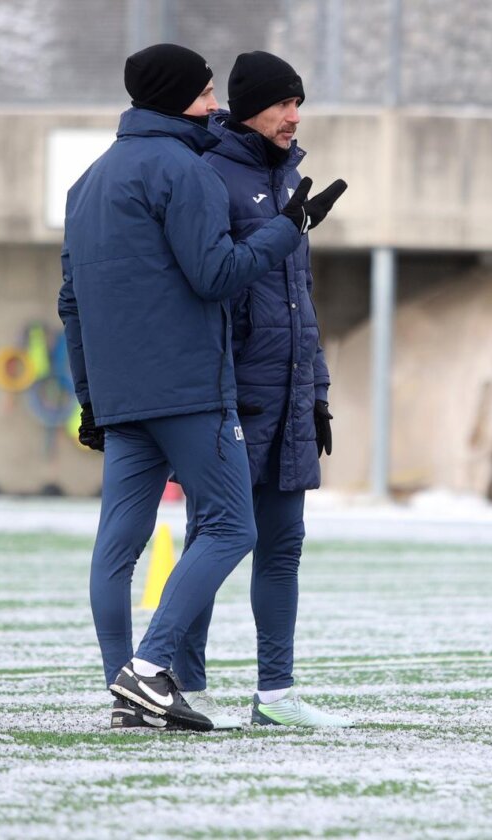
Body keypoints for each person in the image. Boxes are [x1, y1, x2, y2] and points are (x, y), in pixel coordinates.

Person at [57, 43, 347, 732]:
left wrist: (91, 395)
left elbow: (72, 301)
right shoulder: (188, 171)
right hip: (192, 385)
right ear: (178, 95)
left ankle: (129, 691)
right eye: (206, 91)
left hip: (129, 393)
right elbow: (215, 275)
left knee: (119, 544)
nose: (214, 104)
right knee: (231, 526)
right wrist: (288, 230)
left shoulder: (89, 180)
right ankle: (152, 672)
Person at [168, 51, 351, 728]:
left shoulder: (290, 179)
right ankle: (182, 683)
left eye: (299, 104)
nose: (293, 116)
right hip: (230, 395)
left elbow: (298, 300)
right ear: (248, 106)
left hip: (290, 393)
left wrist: (318, 390)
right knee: (215, 539)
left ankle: (276, 694)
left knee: (284, 543)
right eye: (282, 103)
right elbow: (209, 282)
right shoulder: (209, 175)